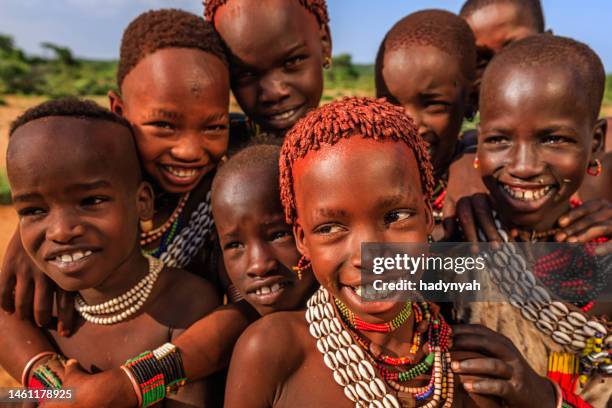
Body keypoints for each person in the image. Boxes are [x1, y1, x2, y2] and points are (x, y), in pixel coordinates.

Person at [224, 97, 557, 407]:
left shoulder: (474, 364)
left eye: (395, 217)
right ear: (302, 240)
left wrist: (543, 397)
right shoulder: (273, 351)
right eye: (330, 228)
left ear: (428, 217)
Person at [0, 98, 220, 406]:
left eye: (91, 201)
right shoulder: (40, 305)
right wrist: (49, 388)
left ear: (142, 201)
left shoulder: (186, 303)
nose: (61, 231)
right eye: (35, 210)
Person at [458, 34, 611, 407]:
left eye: (554, 139)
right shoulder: (455, 243)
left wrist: (544, 398)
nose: (524, 166)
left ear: (595, 142)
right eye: (499, 139)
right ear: (477, 142)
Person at [375, 9, 479, 239]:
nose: (409, 125)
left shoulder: (483, 191)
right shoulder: (364, 183)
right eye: (391, 105)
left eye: (433, 104)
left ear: (470, 101)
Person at [211, 143, 318, 316]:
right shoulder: (254, 335)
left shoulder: (370, 301)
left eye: (279, 235)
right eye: (234, 245)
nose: (259, 266)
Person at [204, 0, 332, 141]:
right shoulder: (214, 148)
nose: (274, 93)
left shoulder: (353, 145)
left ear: (324, 43)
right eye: (246, 74)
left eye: (292, 61)